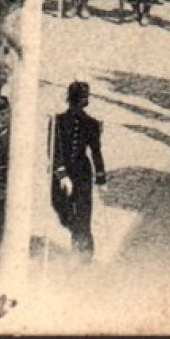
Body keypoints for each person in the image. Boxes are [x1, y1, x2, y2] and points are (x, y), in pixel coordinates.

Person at [51, 81, 107, 258]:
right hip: (62, 171)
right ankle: (78, 234)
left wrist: (100, 177)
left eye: (81, 101)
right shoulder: (57, 122)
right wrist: (62, 176)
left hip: (82, 172)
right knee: (60, 207)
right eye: (76, 101)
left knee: (83, 213)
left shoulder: (92, 124)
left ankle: (84, 254)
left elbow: (96, 152)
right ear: (70, 101)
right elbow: (53, 151)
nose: (78, 105)